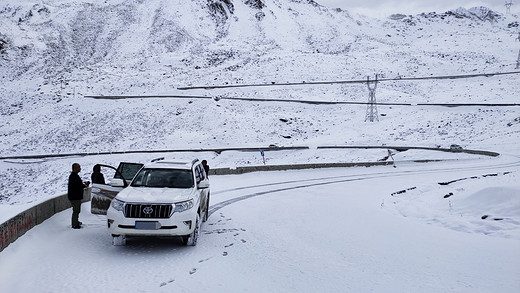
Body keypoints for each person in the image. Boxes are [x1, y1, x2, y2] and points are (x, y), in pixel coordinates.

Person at [68, 163, 89, 229]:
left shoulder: (74, 176)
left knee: (77, 210)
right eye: (79, 167)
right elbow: (77, 186)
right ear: (75, 168)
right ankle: (75, 224)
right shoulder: (74, 177)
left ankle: (76, 221)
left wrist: (83, 185)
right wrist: (84, 185)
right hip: (75, 197)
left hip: (75, 196)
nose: (80, 169)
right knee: (76, 211)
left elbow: (78, 185)